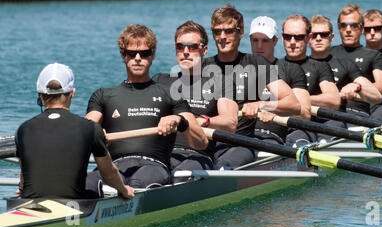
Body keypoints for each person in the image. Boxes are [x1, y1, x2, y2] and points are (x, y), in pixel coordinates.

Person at [85, 24, 208, 194]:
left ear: (153, 54)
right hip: (112, 167)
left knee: (139, 183)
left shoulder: (170, 94)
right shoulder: (103, 96)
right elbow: (87, 127)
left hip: (152, 166)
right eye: (131, 53)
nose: (137, 58)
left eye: (144, 53)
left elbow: (201, 142)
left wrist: (180, 121)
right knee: (87, 183)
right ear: (123, 54)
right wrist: (94, 133)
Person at [15, 63, 134, 200]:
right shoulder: (91, 128)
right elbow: (108, 175)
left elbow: (24, 178)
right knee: (95, 188)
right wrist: (124, 191)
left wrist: (21, 189)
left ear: (40, 95)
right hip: (73, 205)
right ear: (72, 93)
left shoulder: (23, 129)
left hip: (30, 203)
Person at [202, 4, 301, 167]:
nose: (222, 36)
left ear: (240, 33)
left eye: (229, 31)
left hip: (239, 143)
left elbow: (294, 104)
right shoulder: (204, 67)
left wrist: (262, 105)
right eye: (217, 31)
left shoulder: (256, 63)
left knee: (225, 163)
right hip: (207, 140)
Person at [153, 21, 238, 171]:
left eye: (192, 47)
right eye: (180, 47)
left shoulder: (220, 82)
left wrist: (200, 122)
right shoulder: (160, 80)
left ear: (204, 50)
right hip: (163, 153)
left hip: (197, 154)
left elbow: (230, 122)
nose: (186, 51)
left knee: (181, 173)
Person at [248, 16, 311, 145]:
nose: (259, 46)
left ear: (275, 40)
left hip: (273, 138)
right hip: (243, 135)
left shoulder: (291, 69)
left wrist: (274, 111)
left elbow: (305, 113)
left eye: (265, 40)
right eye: (255, 40)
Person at [279, 14, 340, 145]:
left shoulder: (319, 66)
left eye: (299, 37)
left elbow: (334, 100)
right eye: (287, 37)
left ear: (308, 38)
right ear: (281, 37)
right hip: (279, 127)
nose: (293, 42)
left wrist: (300, 100)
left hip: (309, 128)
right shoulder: (272, 67)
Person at [309, 14, 382, 112]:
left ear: (332, 37)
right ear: (307, 38)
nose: (318, 38)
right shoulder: (297, 66)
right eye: (314, 35)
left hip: (338, 119)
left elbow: (377, 97)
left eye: (324, 35)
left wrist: (358, 87)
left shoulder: (346, 64)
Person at [331, 3, 382, 118]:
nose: (348, 30)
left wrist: (357, 87)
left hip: (358, 111)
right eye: (343, 25)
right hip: (332, 109)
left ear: (362, 29)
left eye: (353, 26)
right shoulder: (328, 53)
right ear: (339, 28)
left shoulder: (374, 55)